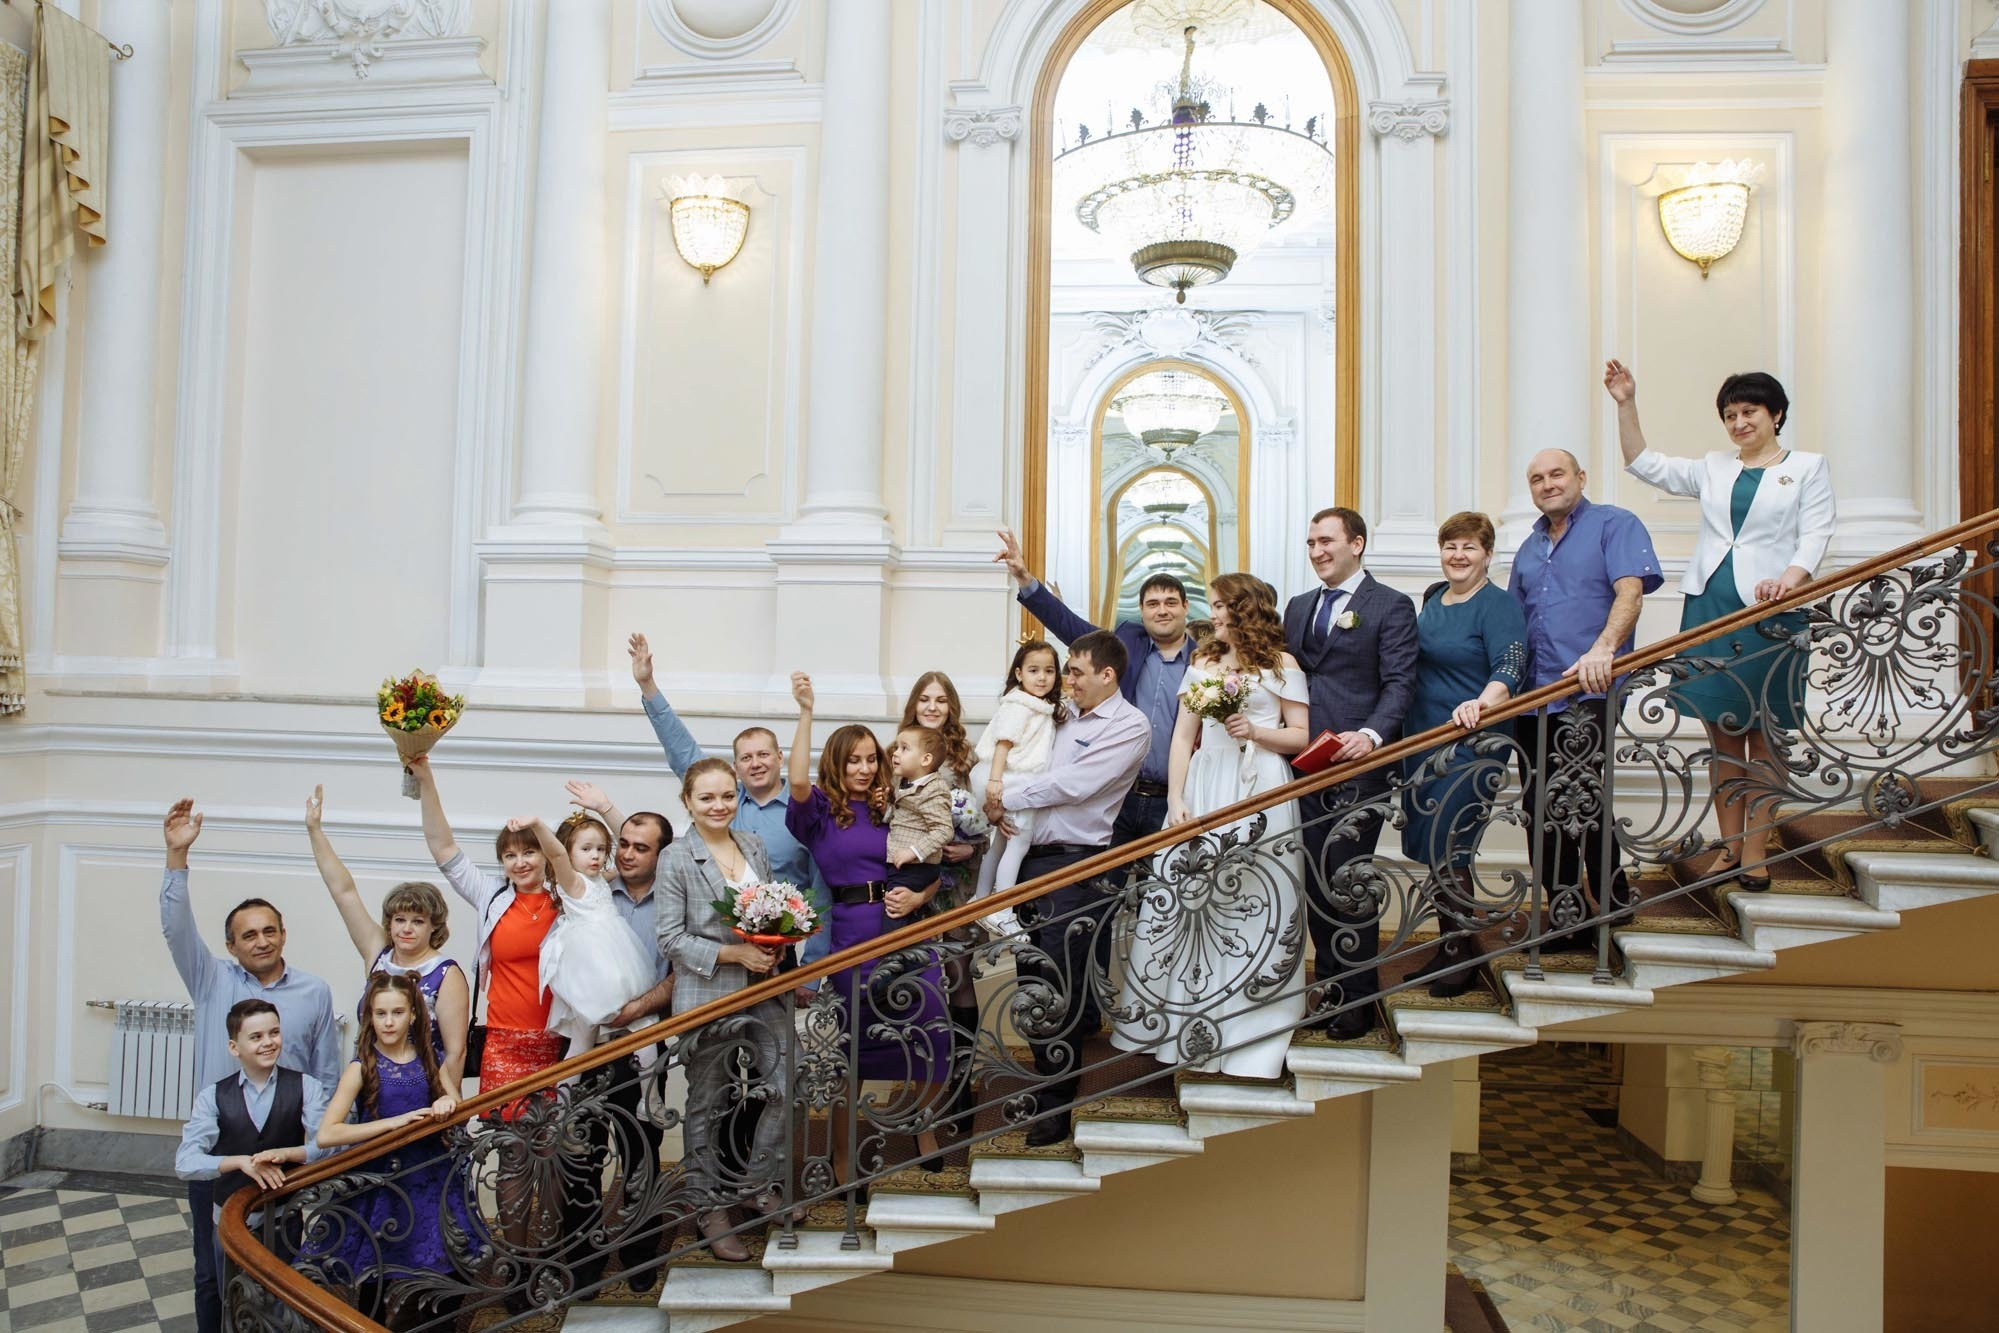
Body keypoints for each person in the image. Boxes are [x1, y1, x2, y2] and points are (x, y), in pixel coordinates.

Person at [1608, 361, 1836, 890]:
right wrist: (1626, 403)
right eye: (1730, 414)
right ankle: (1728, 848)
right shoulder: (1713, 467)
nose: (1739, 423)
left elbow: (1817, 532)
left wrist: (1791, 579)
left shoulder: (1806, 466)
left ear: (1776, 414)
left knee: (1767, 735)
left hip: (1774, 608)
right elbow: (1644, 463)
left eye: (1749, 411)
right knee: (1724, 736)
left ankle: (1757, 850)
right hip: (1711, 604)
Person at [1113, 574, 1311, 1077]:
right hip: (1206, 785)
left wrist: (1257, 732)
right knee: (1190, 903)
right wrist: (1177, 800)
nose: (1214, 614)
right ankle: (1187, 1029)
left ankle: (1249, 1028)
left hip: (1261, 784)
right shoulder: (1202, 662)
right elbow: (1182, 739)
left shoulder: (1281, 665)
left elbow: (1301, 736)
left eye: (1221, 605)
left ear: (1245, 609)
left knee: (1252, 904)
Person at [160, 798, 341, 1333]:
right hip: (221, 1152)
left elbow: (326, 1073)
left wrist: (317, 1153)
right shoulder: (211, 980)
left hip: (287, 1160)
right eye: (248, 935)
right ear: (230, 945)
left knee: (282, 1270)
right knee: (211, 1270)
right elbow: (175, 930)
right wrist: (176, 857)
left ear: (283, 934)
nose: (261, 941)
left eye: (269, 931)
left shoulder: (314, 992)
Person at [984, 630, 1151, 1146]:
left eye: (1075, 671)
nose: (1066, 679)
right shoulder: (1057, 715)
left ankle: (1056, 1107)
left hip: (1079, 869)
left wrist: (1002, 792)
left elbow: (1077, 784)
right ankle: (1043, 1082)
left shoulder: (1130, 725)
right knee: (1034, 984)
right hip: (1029, 862)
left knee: (1062, 988)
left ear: (1108, 675)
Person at [784, 674, 951, 1171]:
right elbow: (795, 781)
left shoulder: (897, 804)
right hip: (852, 933)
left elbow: (933, 867)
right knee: (849, 1057)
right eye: (853, 759)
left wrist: (920, 894)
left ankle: (924, 1131)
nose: (864, 768)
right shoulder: (819, 813)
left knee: (932, 1038)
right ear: (836, 764)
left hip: (906, 929)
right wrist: (807, 713)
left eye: (871, 758)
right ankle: (841, 1158)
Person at [1508, 448, 1665, 949]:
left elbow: (1630, 593)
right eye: (1537, 478)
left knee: (1581, 795)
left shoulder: (1614, 524)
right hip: (1532, 697)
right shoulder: (1529, 547)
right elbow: (1515, 622)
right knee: (1539, 804)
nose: (1548, 484)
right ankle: (1564, 909)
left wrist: (1603, 649)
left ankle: (1611, 897)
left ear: (1581, 476)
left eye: (1557, 474)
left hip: (1587, 688)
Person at [1280, 507, 1418, 1040]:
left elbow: (1400, 682)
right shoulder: (1297, 608)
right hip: (1302, 766)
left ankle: (1359, 1000)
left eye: (1326, 541)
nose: (1316, 551)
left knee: (1349, 880)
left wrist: (1373, 736)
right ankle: (1331, 989)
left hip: (1357, 767)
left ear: (1356, 544)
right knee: (1315, 882)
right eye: (1311, 542)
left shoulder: (1390, 606)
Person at [656, 758, 796, 1263]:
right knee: (707, 1105)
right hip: (708, 996)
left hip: (765, 988)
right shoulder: (675, 858)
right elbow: (670, 938)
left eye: (726, 796)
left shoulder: (753, 845)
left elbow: (774, 912)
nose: (719, 806)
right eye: (707, 798)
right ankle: (708, 1209)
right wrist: (734, 953)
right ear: (688, 803)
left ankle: (756, 1184)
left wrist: (776, 945)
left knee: (787, 1083)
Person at [629, 632, 829, 962]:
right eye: (746, 758)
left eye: (763, 754)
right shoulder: (722, 803)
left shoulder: (806, 811)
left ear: (780, 757)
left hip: (781, 953)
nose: (756, 763)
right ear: (734, 766)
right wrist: (648, 685)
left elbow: (820, 891)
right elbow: (681, 748)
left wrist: (814, 967)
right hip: (714, 949)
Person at [1397, 513, 1529, 996]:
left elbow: (1512, 662)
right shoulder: (1433, 599)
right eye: (1450, 546)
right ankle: (1450, 946)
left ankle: (1460, 954)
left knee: (1451, 842)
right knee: (1432, 847)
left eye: (1469, 547)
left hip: (1472, 741)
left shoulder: (1497, 604)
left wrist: (1483, 700)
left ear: (1488, 554)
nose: (1458, 555)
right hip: (1422, 739)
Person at [995, 527, 1192, 843]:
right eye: (1153, 603)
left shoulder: (1204, 661)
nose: (1162, 610)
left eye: (1170, 602)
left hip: (1175, 797)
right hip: (1117, 798)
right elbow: (1070, 627)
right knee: (1107, 888)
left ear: (1185, 607)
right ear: (1142, 611)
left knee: (1164, 888)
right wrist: (1024, 578)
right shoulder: (1127, 642)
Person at [307, 972, 474, 1294]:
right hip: (379, 1179)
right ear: (369, 1016)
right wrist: (393, 1123)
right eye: (380, 1013)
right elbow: (327, 1134)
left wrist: (445, 1102)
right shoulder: (361, 1066)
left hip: (428, 1175)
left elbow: (455, 1103)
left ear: (413, 1015)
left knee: (439, 1266)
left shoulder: (429, 1059)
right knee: (376, 1273)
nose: (388, 1022)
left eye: (397, 1013)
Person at [305, 786, 469, 1085]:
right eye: (399, 919)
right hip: (370, 1082)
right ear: (389, 922)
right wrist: (315, 830)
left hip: (423, 1089)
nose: (406, 928)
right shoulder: (377, 952)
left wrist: (446, 1107)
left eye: (417, 921)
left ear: (434, 925)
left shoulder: (446, 973)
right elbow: (343, 892)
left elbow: (455, 1052)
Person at [174, 999, 330, 1287]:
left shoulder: (307, 1087)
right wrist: (240, 1162)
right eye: (256, 1037)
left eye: (274, 1032)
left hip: (285, 1218)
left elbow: (329, 1146)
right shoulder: (213, 1096)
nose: (268, 1042)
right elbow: (185, 1162)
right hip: (230, 1223)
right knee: (230, 1301)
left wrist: (291, 1153)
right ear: (235, 1048)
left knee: (284, 1302)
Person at [521, 812, 659, 1058]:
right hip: (593, 964)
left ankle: (650, 1098)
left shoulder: (601, 879)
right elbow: (556, 854)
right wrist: (537, 826)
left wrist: (604, 807)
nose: (595, 855)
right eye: (586, 849)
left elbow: (633, 850)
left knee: (635, 1028)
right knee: (597, 1035)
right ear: (570, 852)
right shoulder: (573, 882)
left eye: (601, 849)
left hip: (617, 957)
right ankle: (565, 1095)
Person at [967, 640, 1063, 939]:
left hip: (1013, 779)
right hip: (1012, 779)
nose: (1042, 677)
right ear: (1019, 674)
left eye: (1049, 671)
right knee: (1019, 844)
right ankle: (1003, 911)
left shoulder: (1039, 706)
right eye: (1034, 670)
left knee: (1000, 842)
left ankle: (982, 898)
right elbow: (1002, 744)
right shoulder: (1019, 704)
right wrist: (996, 782)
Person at [885, 725, 954, 896]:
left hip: (916, 867)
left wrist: (914, 851)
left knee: (895, 916)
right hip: (903, 866)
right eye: (896, 747)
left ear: (925, 760)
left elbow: (944, 830)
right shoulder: (903, 782)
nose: (896, 753)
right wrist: (883, 807)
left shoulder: (934, 789)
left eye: (904, 748)